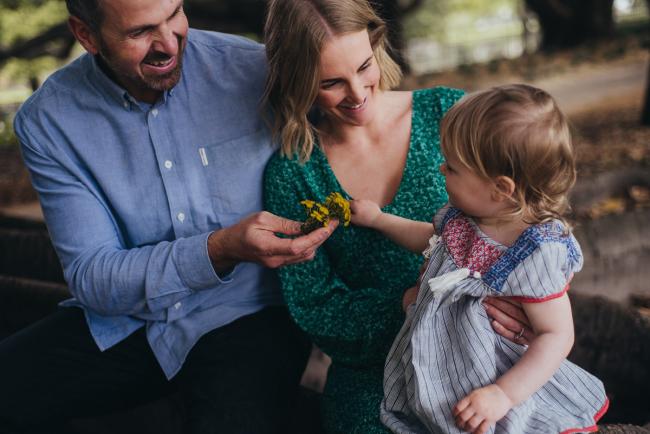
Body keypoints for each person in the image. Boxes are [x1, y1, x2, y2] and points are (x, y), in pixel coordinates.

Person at [0, 0, 336, 432]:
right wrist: (219, 249)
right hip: (129, 321)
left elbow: (356, 123)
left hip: (251, 311)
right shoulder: (48, 122)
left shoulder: (258, 70)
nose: (168, 43)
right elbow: (92, 277)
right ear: (86, 35)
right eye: (140, 32)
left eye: (174, 13)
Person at [262, 1, 532, 432]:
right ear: (298, 83)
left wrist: (525, 302)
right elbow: (315, 306)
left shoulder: (448, 114)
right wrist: (408, 305)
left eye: (363, 66)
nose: (356, 93)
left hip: (487, 343)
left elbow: (520, 211)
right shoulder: (294, 173)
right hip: (379, 371)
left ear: (376, 42)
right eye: (331, 83)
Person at [351, 84, 609, 434]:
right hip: (442, 373)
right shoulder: (465, 218)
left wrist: (502, 395)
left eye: (453, 168)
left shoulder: (535, 251)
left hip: (493, 381)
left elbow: (556, 335)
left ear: (500, 188)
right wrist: (379, 220)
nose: (442, 169)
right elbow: (430, 242)